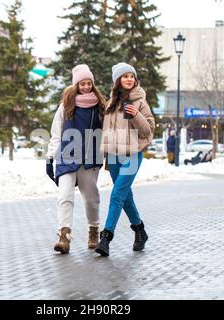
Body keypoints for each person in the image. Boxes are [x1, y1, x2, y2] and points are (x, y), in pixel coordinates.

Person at [95, 62, 155, 257]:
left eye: (132, 76)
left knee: (116, 194)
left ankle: (106, 237)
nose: (129, 79)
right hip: (113, 157)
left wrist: (136, 115)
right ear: (118, 80)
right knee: (125, 196)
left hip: (132, 155)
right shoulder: (110, 103)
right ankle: (139, 230)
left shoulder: (140, 102)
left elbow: (148, 130)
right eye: (125, 76)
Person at [46, 64, 106, 254]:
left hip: (90, 159)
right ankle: (64, 236)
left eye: (89, 83)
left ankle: (94, 231)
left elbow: (107, 132)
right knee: (65, 196)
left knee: (91, 199)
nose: (86, 87)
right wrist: (49, 158)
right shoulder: (66, 105)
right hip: (67, 157)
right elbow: (56, 133)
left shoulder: (99, 106)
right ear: (76, 85)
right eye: (82, 84)